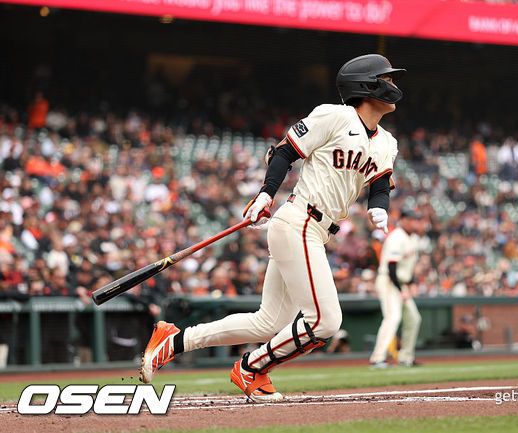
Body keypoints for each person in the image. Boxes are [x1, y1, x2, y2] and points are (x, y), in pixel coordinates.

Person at [138, 54, 406, 402]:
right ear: (367, 85)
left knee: (268, 322)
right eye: (387, 78)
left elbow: (380, 186)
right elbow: (284, 153)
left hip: (315, 231)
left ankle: (173, 342)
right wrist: (266, 194)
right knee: (325, 321)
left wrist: (379, 208)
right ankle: (252, 368)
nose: (393, 85)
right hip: (299, 221)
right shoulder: (335, 116)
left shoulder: (387, 142)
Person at [369, 210, 422, 367]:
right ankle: (377, 357)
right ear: (403, 220)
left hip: (401, 283)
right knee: (393, 317)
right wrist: (401, 290)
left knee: (413, 318)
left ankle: (406, 357)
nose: (415, 223)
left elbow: (408, 267)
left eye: (417, 220)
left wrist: (411, 284)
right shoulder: (396, 237)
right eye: (412, 220)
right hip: (389, 281)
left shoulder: (413, 238)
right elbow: (391, 267)